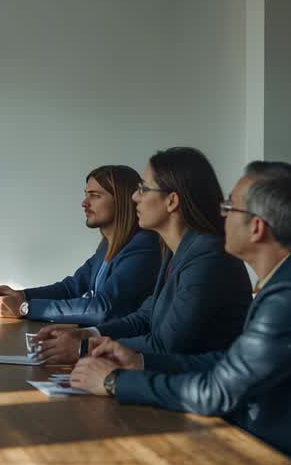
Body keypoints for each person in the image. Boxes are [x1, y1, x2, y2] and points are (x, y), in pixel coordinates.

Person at [70, 162, 291, 459]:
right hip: (285, 442)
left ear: (256, 228)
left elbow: (219, 391)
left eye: (229, 207)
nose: (221, 214)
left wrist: (116, 382)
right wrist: (140, 362)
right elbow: (231, 364)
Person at [34, 147, 252, 363]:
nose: (134, 197)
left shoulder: (207, 256)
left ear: (172, 201)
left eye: (144, 189)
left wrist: (84, 348)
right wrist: (89, 334)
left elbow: (166, 344)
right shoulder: (174, 249)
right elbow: (145, 317)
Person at [0, 166, 160, 325]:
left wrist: (24, 308)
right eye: (86, 194)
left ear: (121, 201)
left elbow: (103, 308)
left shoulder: (143, 246)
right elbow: (71, 287)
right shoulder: (108, 244)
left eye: (95, 196)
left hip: (119, 348)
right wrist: (21, 296)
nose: (85, 203)